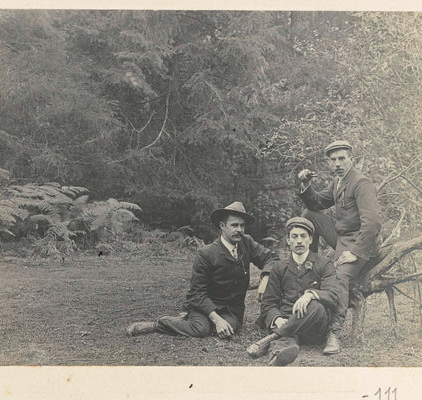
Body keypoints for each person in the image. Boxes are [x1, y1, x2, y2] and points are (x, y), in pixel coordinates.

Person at [126, 201, 279, 339]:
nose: (239, 230)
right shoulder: (207, 253)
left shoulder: (247, 243)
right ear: (222, 226)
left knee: (229, 329)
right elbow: (196, 293)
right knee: (201, 329)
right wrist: (216, 318)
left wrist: (265, 277)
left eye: (242, 225)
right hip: (205, 306)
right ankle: (159, 324)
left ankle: (191, 321)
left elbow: (272, 258)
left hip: (232, 310)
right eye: (234, 225)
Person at [297, 140, 381, 354]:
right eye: (333, 159)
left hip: (362, 244)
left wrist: (354, 253)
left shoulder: (361, 183)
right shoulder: (338, 182)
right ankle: (311, 262)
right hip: (343, 239)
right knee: (308, 216)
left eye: (341, 158)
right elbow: (316, 203)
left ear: (351, 158)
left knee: (339, 276)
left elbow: (372, 224)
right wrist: (306, 185)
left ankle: (334, 333)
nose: (337, 163)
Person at [248, 217, 339, 366]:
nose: (299, 241)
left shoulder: (324, 263)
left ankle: (271, 339)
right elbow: (269, 302)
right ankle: (278, 355)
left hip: (314, 326)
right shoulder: (279, 267)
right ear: (288, 240)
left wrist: (309, 295)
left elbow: (333, 295)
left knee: (316, 306)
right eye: (294, 237)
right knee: (287, 341)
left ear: (310, 239)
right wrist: (277, 319)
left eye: (303, 236)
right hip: (287, 321)